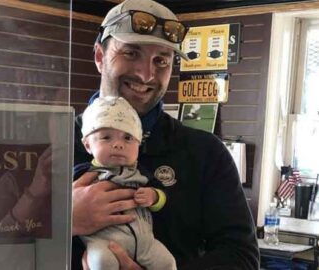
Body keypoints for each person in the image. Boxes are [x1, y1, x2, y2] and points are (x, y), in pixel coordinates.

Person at [71, 0, 260, 269]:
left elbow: (242, 257)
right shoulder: (54, 142)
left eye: (161, 60)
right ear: (100, 57)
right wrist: (60, 220)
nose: (146, 74)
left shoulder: (205, 152)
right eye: (131, 53)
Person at [76, 96, 176, 270]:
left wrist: (154, 196)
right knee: (102, 263)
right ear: (87, 145)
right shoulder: (83, 174)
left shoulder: (142, 174)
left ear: (138, 144)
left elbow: (163, 196)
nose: (118, 145)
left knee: (168, 263)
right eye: (106, 137)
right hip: (103, 242)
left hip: (146, 244)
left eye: (128, 138)